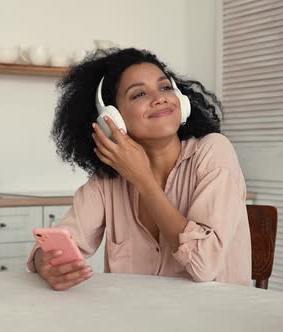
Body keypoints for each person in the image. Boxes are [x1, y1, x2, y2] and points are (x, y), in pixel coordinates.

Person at [26, 48, 251, 291]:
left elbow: (204, 264)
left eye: (165, 88)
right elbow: (61, 242)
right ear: (111, 119)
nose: (160, 98)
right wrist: (44, 262)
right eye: (139, 94)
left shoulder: (214, 151)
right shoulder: (108, 180)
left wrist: (142, 179)